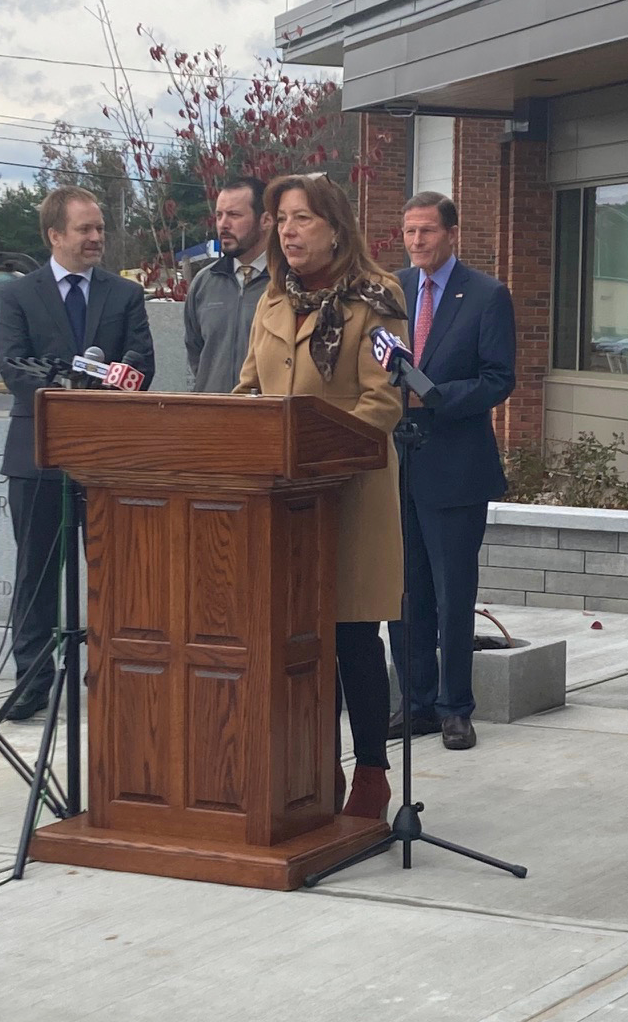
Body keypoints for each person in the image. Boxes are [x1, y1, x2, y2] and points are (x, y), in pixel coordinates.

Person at [234, 173, 406, 821]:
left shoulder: (377, 296)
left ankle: (371, 770)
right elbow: (249, 390)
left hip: (350, 495)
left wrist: (318, 460)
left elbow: (381, 402)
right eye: (281, 219)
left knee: (353, 635)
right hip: (281, 503)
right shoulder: (271, 300)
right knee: (295, 641)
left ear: (335, 226)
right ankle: (312, 766)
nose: (289, 230)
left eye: (302, 218)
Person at [0, 186, 155, 720]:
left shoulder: (124, 294)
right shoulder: (20, 295)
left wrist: (100, 390)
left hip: (108, 460)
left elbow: (140, 363)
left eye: (100, 229)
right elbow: (17, 368)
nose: (96, 238)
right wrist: (73, 378)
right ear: (54, 235)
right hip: (38, 460)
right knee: (36, 574)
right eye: (85, 229)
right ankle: (32, 682)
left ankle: (114, 676)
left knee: (114, 574)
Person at [387, 192, 516, 752]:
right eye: (410, 232)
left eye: (428, 232)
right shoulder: (391, 291)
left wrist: (434, 398)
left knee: (452, 593)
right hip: (395, 464)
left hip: (457, 468)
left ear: (451, 233)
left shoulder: (486, 295)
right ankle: (412, 703)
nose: (417, 242)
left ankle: (455, 707)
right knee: (402, 591)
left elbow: (498, 379)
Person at [184, 176, 272, 393]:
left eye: (234, 215)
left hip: (268, 417)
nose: (223, 224)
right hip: (211, 418)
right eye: (219, 215)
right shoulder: (204, 283)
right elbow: (195, 353)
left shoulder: (287, 283)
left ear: (265, 220)